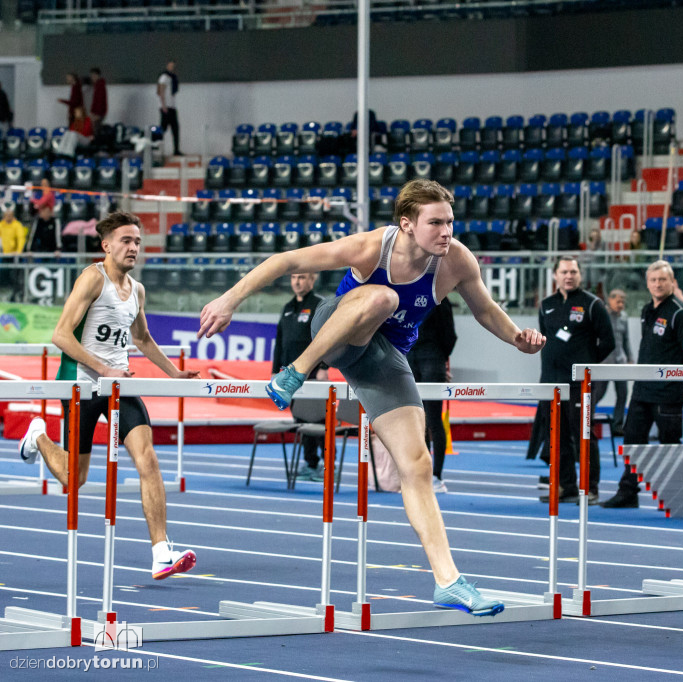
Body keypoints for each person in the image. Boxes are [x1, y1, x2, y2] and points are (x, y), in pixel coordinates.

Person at [198, 179, 545, 617]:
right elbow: (285, 260)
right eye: (435, 223)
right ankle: (295, 372)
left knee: (416, 463)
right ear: (406, 225)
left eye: (450, 222)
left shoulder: (456, 260)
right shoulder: (370, 248)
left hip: (382, 355)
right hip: (337, 329)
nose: (446, 232)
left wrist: (517, 337)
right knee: (382, 296)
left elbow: (485, 309)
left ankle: (449, 581)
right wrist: (229, 300)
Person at [18, 210, 200, 580]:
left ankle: (161, 552)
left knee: (147, 459)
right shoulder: (91, 279)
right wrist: (103, 368)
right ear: (106, 246)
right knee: (75, 479)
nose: (134, 248)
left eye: (137, 241)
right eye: (126, 241)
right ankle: (38, 434)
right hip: (82, 384)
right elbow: (61, 335)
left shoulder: (138, 291)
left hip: (120, 386)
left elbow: (143, 339)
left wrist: (174, 372)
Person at [602, 261, 683, 508]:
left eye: (662, 280)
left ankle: (674, 495)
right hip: (642, 391)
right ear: (647, 283)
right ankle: (628, 492)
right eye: (653, 280)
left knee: (668, 445)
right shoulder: (646, 310)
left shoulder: (681, 314)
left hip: (668, 393)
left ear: (672, 282)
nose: (657, 284)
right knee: (632, 441)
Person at [536, 255, 614, 506]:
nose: (569, 276)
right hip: (551, 383)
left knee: (584, 436)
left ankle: (590, 489)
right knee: (556, 438)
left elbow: (609, 343)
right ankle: (566, 486)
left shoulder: (593, 305)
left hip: (579, 385)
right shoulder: (546, 305)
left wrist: (586, 364)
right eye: (564, 272)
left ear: (580, 275)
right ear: (555, 275)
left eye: (573, 272)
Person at [272, 272, 329, 482]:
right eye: (294, 277)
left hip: (314, 372)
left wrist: (324, 365)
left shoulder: (320, 305)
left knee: (320, 420)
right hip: (290, 374)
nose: (297, 281)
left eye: (302, 277)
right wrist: (275, 370)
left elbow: (329, 337)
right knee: (300, 419)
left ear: (312, 280)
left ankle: (327, 464)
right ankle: (310, 463)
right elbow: (280, 341)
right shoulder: (287, 307)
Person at [406, 296, 457, 493]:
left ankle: (436, 475)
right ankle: (423, 473)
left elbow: (449, 334)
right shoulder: (408, 293)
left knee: (433, 419)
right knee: (417, 419)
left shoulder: (441, 299)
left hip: (431, 357)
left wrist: (440, 359)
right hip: (410, 356)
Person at [592, 289, 630, 435]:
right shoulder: (602, 315)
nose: (620, 304)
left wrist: (630, 357)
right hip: (604, 362)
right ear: (610, 300)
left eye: (623, 302)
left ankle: (617, 425)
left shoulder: (624, 318)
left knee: (623, 394)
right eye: (618, 301)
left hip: (620, 361)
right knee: (598, 393)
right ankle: (588, 420)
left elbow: (626, 341)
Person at [157, 60, 181, 156]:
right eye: (170, 66)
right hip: (166, 107)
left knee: (175, 128)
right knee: (163, 129)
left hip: (172, 106)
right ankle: (157, 149)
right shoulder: (164, 77)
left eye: (173, 66)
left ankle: (176, 150)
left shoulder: (173, 78)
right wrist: (163, 105)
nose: (172, 68)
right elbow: (161, 91)